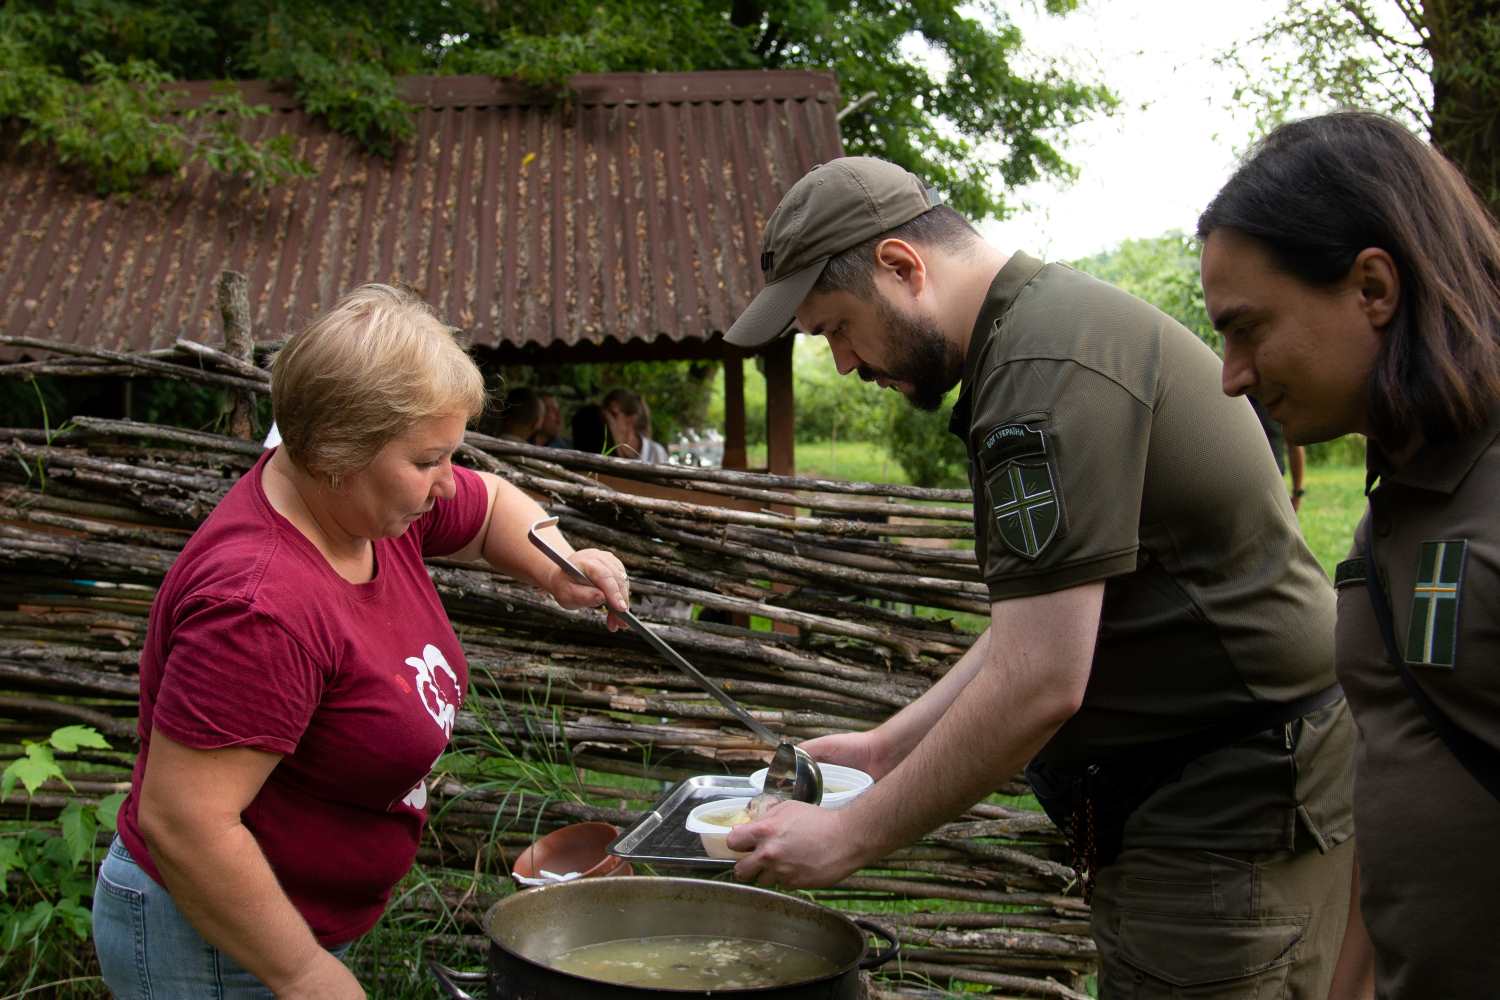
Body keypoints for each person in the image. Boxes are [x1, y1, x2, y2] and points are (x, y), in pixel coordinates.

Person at [721, 157, 1355, 997]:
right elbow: (1034, 630)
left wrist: (851, 837)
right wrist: (884, 749)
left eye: (836, 327)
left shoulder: (1039, 372)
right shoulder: (1032, 338)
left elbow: (1040, 681)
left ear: (903, 266)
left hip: (1229, 823)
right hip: (1193, 812)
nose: (843, 363)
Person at [91, 285, 631, 998]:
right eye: (427, 460)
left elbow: (491, 504)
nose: (447, 482)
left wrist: (556, 560)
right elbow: (185, 821)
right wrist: (305, 973)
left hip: (288, 920)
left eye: (450, 454)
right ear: (336, 451)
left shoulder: (365, 509)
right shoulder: (259, 610)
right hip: (213, 945)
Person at [1198, 110, 1500, 1000]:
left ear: (1372, 287)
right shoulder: (1397, 504)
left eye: (1248, 328)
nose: (1231, 375)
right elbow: (1405, 771)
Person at [1249, 395, 1309, 511]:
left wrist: (1297, 493)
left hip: (1273, 489)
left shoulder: (1276, 399)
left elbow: (1295, 446)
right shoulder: (1233, 395)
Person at [601, 387, 669, 462]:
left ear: (631, 419)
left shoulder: (656, 452)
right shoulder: (601, 446)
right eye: (605, 414)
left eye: (614, 414)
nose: (608, 419)